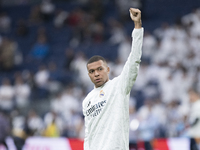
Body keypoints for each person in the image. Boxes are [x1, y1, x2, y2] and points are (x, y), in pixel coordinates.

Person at [82, 8, 144, 150]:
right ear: (89, 75)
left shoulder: (119, 85)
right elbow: (88, 134)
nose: (96, 74)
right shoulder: (87, 100)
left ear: (108, 70)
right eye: (92, 71)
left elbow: (134, 60)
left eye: (100, 69)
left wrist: (137, 27)